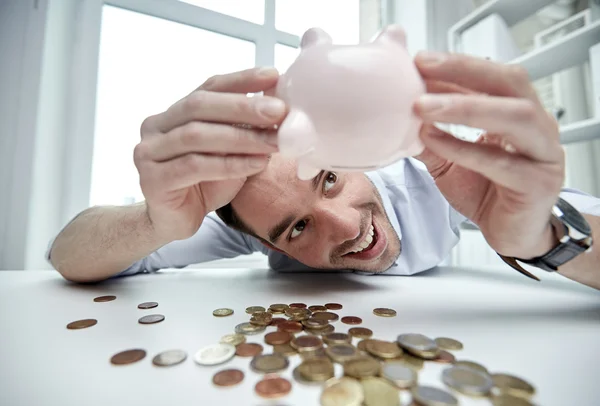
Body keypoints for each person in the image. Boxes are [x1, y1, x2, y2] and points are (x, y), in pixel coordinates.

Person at [47, 52, 600, 289]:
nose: (344, 226)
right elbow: (65, 257)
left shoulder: (435, 169)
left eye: (329, 178)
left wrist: (541, 239)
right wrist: (155, 226)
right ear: (272, 246)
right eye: (297, 229)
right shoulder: (237, 218)